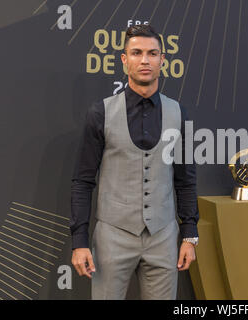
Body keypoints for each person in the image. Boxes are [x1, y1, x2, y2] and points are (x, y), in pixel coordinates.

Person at [69, 24, 199, 300]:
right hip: (112, 237)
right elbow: (82, 181)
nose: (145, 60)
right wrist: (79, 241)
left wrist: (189, 235)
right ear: (124, 59)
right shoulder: (100, 113)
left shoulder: (179, 113)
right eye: (137, 52)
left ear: (162, 60)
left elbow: (185, 179)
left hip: (163, 237)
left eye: (152, 53)